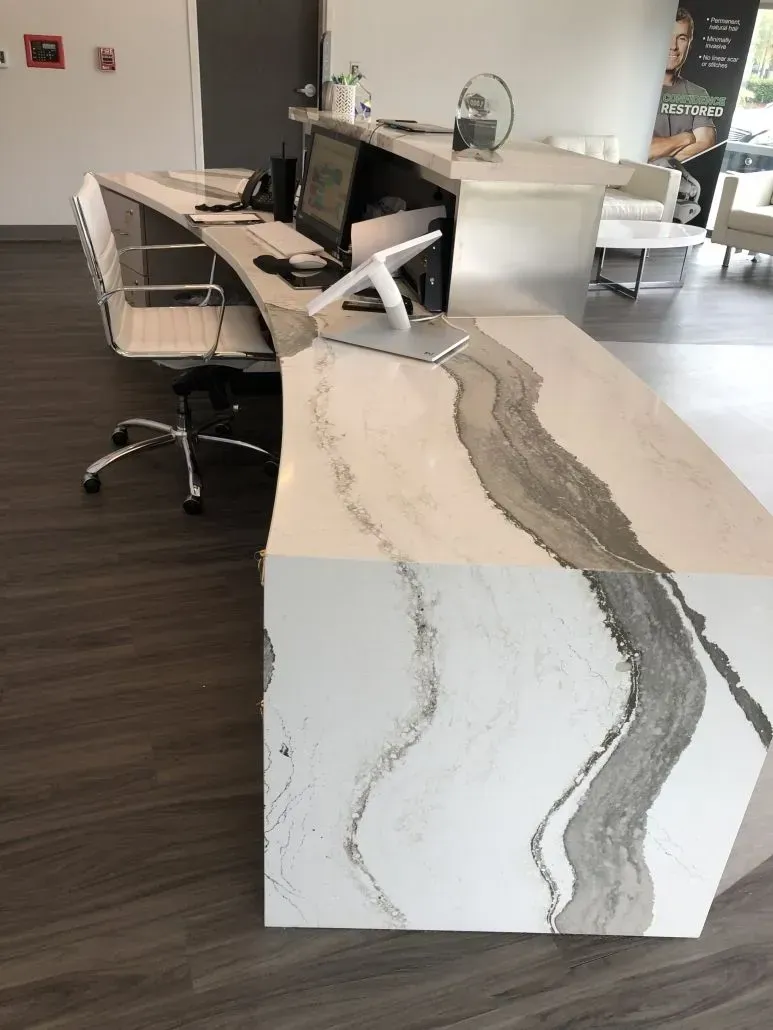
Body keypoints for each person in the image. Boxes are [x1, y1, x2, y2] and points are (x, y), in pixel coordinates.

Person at [649, 7, 717, 162]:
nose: (673, 46)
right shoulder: (633, 90)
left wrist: (661, 162)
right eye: (668, 36)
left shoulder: (698, 94)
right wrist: (685, 138)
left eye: (682, 38)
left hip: (684, 184)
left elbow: (706, 144)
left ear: (690, 44)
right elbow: (638, 150)